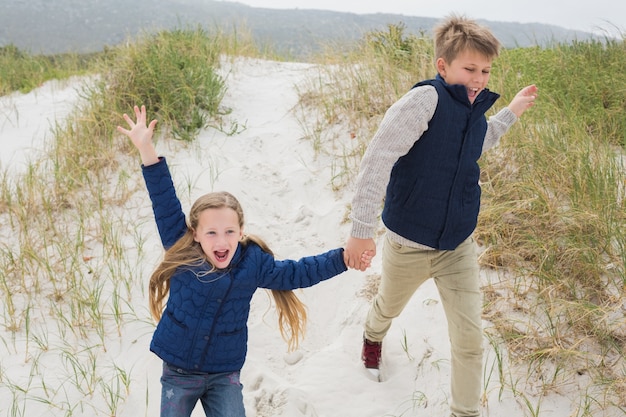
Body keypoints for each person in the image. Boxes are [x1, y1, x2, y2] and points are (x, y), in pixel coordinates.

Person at [117, 105, 371, 417]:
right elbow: (163, 199)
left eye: (229, 231)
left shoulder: (253, 264)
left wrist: (343, 258)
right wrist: (146, 147)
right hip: (178, 371)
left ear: (241, 231)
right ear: (195, 233)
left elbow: (298, 273)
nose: (221, 241)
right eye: (211, 232)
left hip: (224, 373)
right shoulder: (181, 247)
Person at [343, 15, 538, 417]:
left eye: (485, 70)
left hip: (457, 246)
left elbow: (480, 142)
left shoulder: (473, 107)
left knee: (469, 339)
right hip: (408, 243)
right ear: (443, 66)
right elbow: (378, 157)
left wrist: (513, 110)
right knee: (388, 305)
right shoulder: (425, 101)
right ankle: (372, 336)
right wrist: (361, 230)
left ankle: (463, 411)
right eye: (470, 68)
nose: (479, 78)